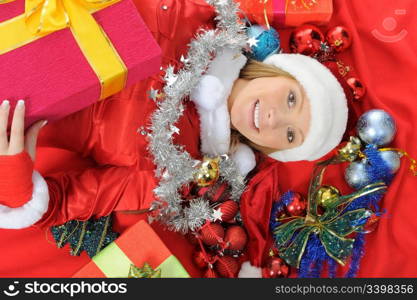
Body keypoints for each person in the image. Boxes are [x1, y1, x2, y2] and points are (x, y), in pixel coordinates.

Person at [0, 0, 348, 275]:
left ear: (276, 150)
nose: (276, 118)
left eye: (291, 134)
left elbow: (60, 203)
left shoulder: (171, 174)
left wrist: (15, 183)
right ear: (279, 70)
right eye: (292, 98)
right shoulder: (198, 17)